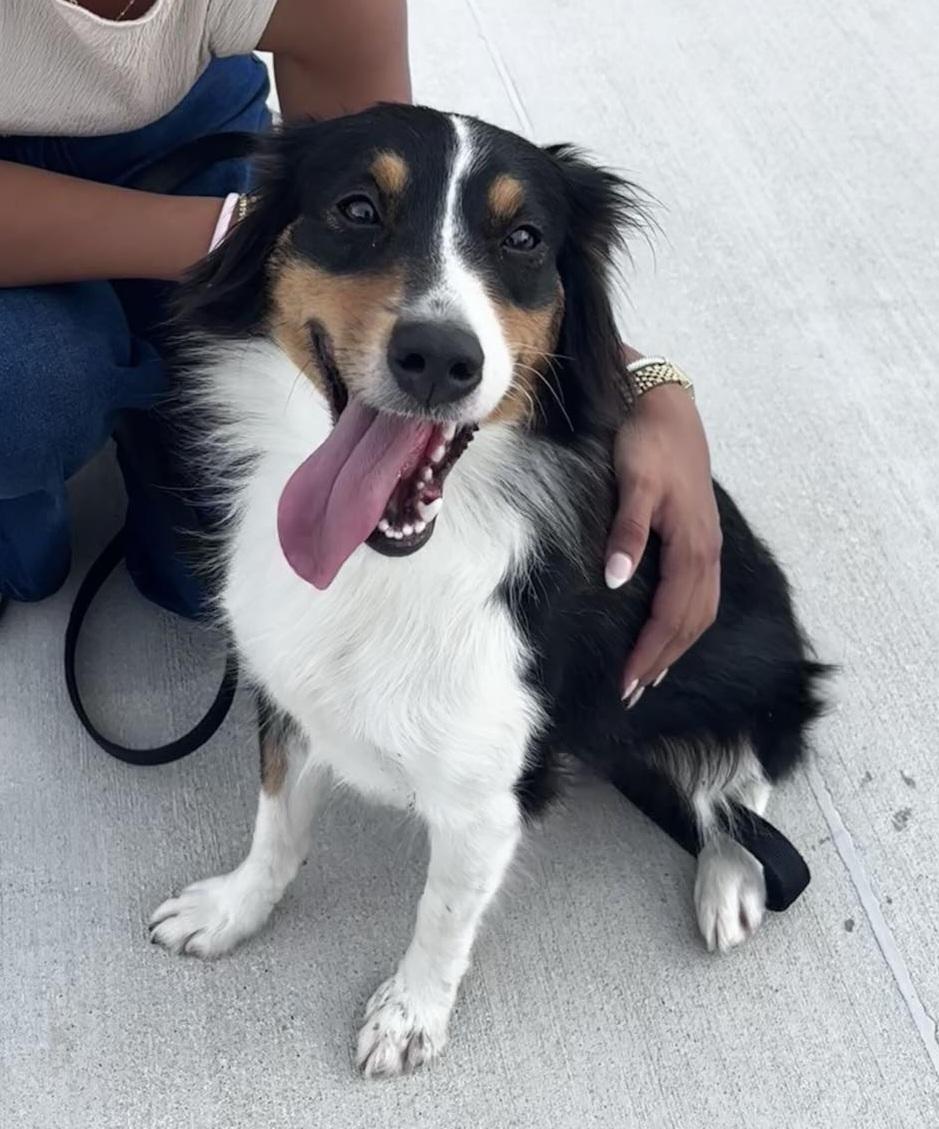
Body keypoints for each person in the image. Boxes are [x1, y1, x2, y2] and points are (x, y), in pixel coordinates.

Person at [0, 0, 721, 701]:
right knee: (28, 390)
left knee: (215, 574)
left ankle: (134, 385)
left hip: (187, 140)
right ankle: (23, 538)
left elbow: (412, 224)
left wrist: (635, 378)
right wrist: (241, 240)